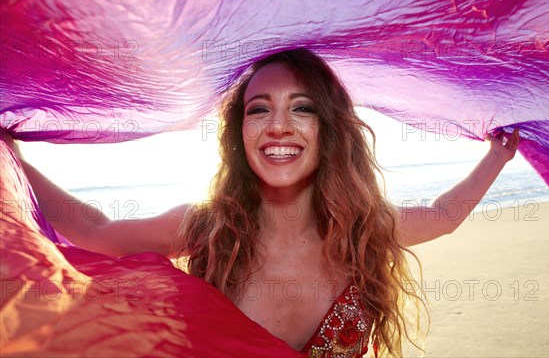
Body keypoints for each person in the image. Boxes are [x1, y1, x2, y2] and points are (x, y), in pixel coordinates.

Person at [1, 48, 519, 357]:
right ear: (239, 132)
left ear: (329, 129)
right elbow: (93, 232)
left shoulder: (365, 230)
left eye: (302, 108)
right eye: (258, 109)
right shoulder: (205, 228)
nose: (278, 126)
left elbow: (443, 218)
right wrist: (12, 159)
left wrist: (501, 152)